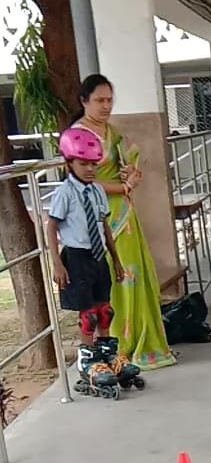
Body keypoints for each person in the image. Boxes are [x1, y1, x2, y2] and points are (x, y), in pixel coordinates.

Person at [73, 74, 176, 372]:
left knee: (133, 273)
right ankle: (115, 342)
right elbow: (83, 180)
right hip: (96, 215)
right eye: (99, 100)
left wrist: (131, 175)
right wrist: (123, 187)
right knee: (109, 278)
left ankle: (139, 337)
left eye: (110, 100)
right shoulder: (77, 135)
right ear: (84, 101)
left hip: (125, 214)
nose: (106, 106)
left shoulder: (113, 133)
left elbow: (132, 162)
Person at [47, 127, 142, 398]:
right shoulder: (65, 193)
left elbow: (104, 226)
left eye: (93, 164)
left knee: (105, 311)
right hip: (77, 258)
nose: (90, 169)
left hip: (99, 256)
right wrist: (57, 263)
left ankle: (108, 355)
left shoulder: (98, 191)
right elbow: (51, 226)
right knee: (87, 315)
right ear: (69, 164)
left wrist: (116, 259)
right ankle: (89, 363)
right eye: (83, 164)